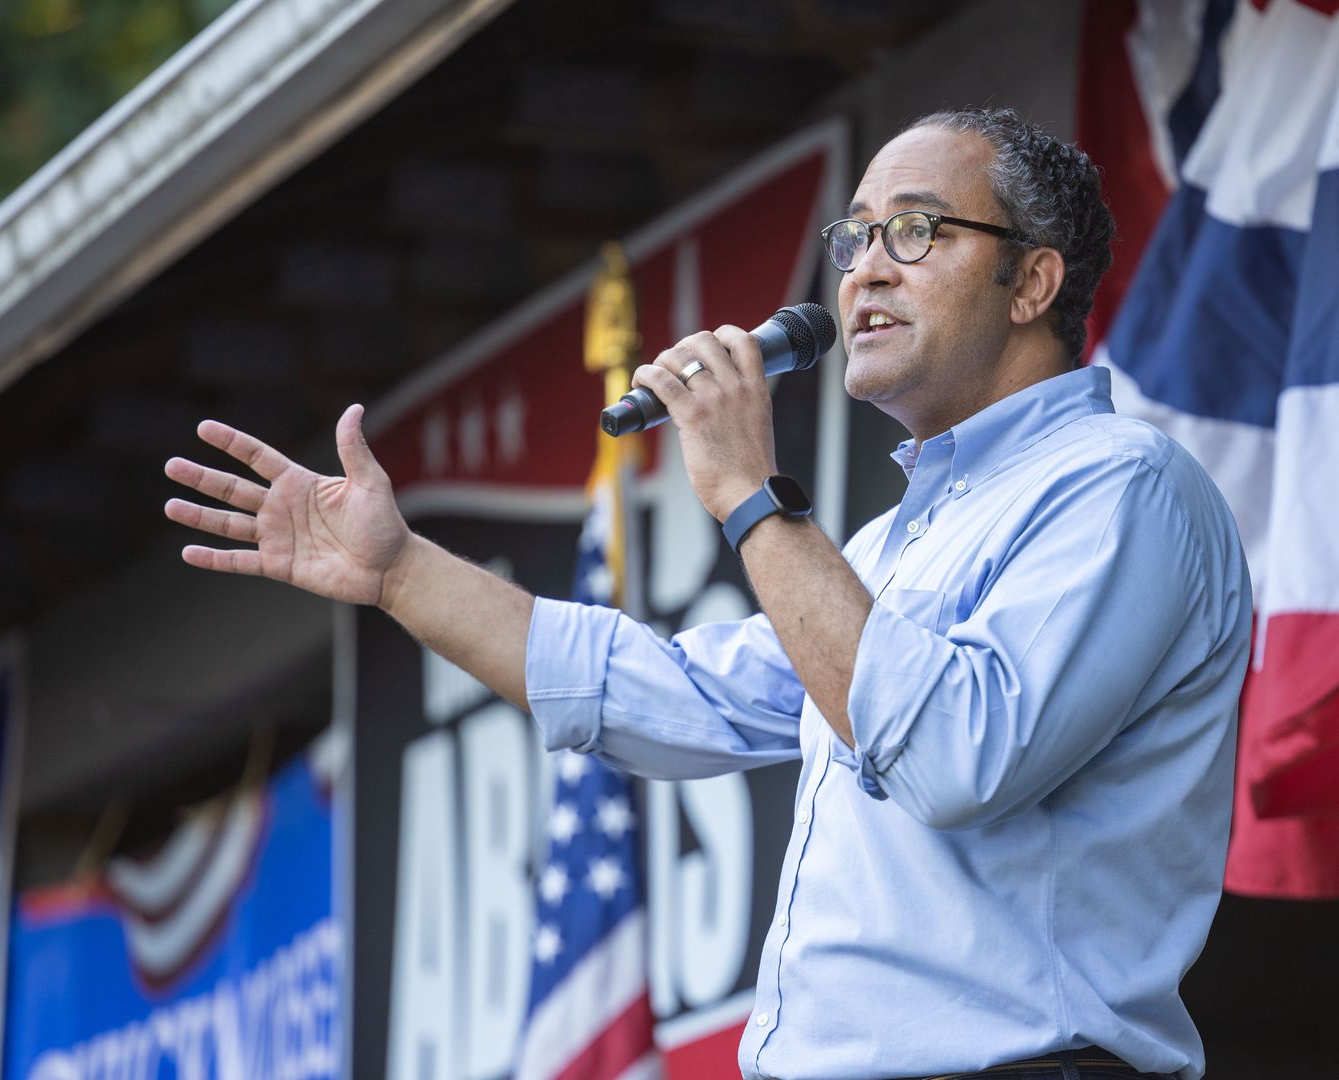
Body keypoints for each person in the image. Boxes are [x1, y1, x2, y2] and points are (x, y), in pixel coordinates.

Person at [164, 106, 1251, 1080]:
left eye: (916, 231)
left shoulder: (1122, 487)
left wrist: (746, 492)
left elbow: (957, 755)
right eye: (855, 237)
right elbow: (670, 693)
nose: (868, 268)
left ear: (1033, 282)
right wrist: (400, 572)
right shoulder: (891, 545)